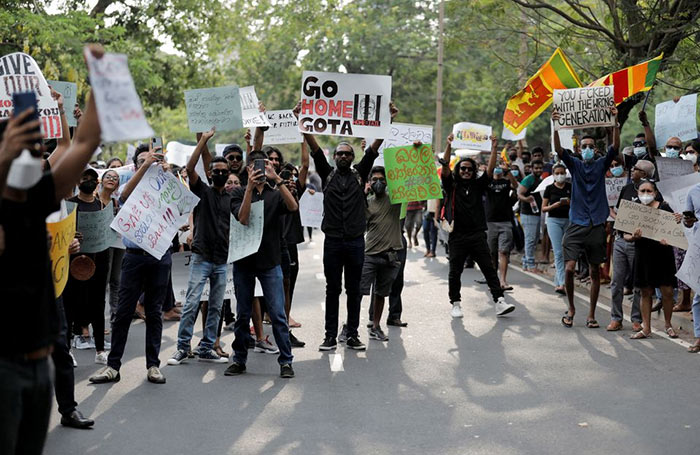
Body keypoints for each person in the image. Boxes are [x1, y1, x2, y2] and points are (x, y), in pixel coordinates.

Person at [0, 44, 103, 453]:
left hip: (37, 366)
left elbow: (86, 142)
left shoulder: (37, 194)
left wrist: (99, 80)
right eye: (18, 145)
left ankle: (68, 404)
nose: (33, 152)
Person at [294, 101, 398, 352]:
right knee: (333, 289)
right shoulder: (326, 172)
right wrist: (301, 120)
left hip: (354, 242)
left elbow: (374, 147)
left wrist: (389, 120)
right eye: (339, 153)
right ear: (334, 157)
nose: (343, 156)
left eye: (347, 154)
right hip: (332, 242)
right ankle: (330, 336)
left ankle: (352, 334)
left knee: (354, 290)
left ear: (353, 158)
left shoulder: (360, 173)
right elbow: (314, 147)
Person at [89, 145, 172, 385]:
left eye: (153, 160)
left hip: (159, 256)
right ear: (136, 166)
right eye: (143, 161)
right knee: (123, 312)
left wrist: (167, 175)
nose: (150, 163)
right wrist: (147, 167)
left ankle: (153, 365)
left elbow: (182, 205)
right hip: (134, 257)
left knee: (154, 312)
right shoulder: (130, 189)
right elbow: (123, 198)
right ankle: (113, 366)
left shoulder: (168, 186)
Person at [225, 150, 298, 378]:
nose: (260, 169)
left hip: (270, 262)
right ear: (248, 169)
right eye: (257, 166)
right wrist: (248, 188)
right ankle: (239, 360)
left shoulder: (274, 194)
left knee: (277, 314)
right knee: (243, 314)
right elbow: (243, 217)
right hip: (244, 262)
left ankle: (286, 361)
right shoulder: (237, 192)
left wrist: (276, 179)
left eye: (265, 166)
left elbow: (293, 207)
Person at [168, 128, 232, 366]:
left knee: (215, 306)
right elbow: (191, 167)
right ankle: (183, 348)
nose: (221, 174)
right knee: (192, 303)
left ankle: (207, 346)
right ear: (210, 173)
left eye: (224, 172)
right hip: (201, 258)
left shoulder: (231, 197)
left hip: (222, 260)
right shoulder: (202, 191)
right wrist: (203, 140)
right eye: (217, 171)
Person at [552, 106, 620, 328]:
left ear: (596, 150)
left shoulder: (601, 164)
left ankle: (591, 314)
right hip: (577, 223)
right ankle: (571, 307)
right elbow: (559, 149)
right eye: (585, 146)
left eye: (591, 146)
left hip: (597, 223)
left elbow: (615, 147)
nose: (588, 149)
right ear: (579, 150)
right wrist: (555, 125)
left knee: (594, 271)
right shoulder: (575, 164)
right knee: (570, 268)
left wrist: (615, 122)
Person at [441, 133, 515, 319]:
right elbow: (445, 170)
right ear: (458, 170)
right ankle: (455, 303)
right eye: (463, 169)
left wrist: (494, 148)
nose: (466, 171)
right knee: (454, 272)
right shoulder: (452, 185)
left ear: (474, 172)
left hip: (477, 235)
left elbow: (489, 171)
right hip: (457, 235)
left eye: (469, 169)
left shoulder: (478, 185)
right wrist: (448, 145)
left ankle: (499, 301)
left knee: (489, 269)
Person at [63, 168, 111, 364]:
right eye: (84, 178)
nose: (88, 181)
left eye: (92, 179)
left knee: (98, 305)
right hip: (74, 263)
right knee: (70, 307)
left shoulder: (102, 205)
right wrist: (71, 237)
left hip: (98, 261)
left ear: (97, 183)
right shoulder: (69, 206)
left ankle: (100, 350)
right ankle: (67, 351)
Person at [624, 180, 680, 339]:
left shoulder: (664, 208)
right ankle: (646, 327)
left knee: (667, 291)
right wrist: (633, 237)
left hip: (663, 255)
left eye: (649, 191)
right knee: (645, 291)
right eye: (643, 191)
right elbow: (625, 235)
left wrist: (675, 224)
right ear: (638, 193)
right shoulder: (633, 211)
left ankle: (668, 324)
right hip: (643, 254)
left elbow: (675, 231)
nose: (646, 194)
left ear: (655, 193)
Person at [606, 160, 655, 331]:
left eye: (636, 169)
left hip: (639, 244)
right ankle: (616, 318)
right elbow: (619, 211)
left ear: (644, 174)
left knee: (638, 284)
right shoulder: (626, 189)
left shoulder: (653, 193)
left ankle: (636, 319)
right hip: (620, 240)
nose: (632, 171)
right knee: (616, 282)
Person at [359, 165, 403, 342]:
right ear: (369, 183)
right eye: (374, 179)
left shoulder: (395, 199)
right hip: (369, 255)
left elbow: (409, 180)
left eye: (381, 180)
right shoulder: (366, 203)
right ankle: (349, 326)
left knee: (381, 293)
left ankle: (376, 326)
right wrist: (363, 195)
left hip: (390, 256)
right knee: (358, 292)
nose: (378, 183)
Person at [486, 163, 518, 290]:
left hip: (505, 221)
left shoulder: (506, 182)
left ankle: (503, 281)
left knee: (504, 251)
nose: (497, 168)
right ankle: (493, 280)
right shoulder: (487, 182)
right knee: (492, 253)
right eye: (496, 166)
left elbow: (516, 186)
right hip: (490, 222)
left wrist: (508, 170)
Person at [99, 169, 124, 324]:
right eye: (108, 176)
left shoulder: (116, 202)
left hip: (118, 243)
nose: (111, 179)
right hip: (102, 246)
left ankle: (115, 317)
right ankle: (98, 320)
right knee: (103, 282)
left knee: (116, 279)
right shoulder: (94, 200)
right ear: (101, 181)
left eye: (115, 178)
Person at [541, 163, 571, 294]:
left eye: (562, 173)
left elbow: (577, 203)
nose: (560, 175)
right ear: (553, 175)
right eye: (557, 173)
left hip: (569, 220)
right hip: (553, 221)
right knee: (558, 252)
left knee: (566, 251)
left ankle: (558, 281)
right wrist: (555, 205)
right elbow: (544, 208)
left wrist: (569, 203)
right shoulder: (549, 188)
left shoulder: (571, 187)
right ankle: (563, 284)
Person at [517, 159, 544, 272]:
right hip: (528, 214)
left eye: (540, 168)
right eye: (536, 168)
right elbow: (519, 194)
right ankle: (530, 263)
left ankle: (525, 262)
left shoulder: (540, 179)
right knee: (530, 239)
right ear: (532, 169)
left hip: (537, 213)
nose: (538, 170)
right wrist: (527, 199)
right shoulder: (529, 179)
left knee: (535, 238)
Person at [683, 186, 700, 351]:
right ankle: (698, 336)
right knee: (699, 294)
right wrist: (687, 220)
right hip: (698, 245)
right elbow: (687, 222)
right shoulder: (692, 192)